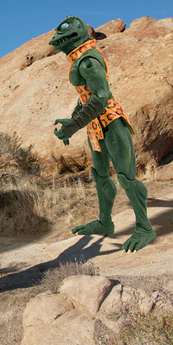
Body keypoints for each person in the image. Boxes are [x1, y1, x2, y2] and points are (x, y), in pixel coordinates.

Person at [49, 15, 155, 252]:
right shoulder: (79, 58)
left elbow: (102, 95)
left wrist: (74, 124)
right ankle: (105, 222)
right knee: (100, 175)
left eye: (61, 36)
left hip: (111, 123)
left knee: (127, 177)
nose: (56, 41)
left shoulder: (87, 61)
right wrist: (74, 121)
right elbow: (86, 96)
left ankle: (145, 227)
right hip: (96, 125)